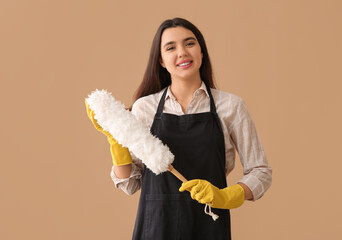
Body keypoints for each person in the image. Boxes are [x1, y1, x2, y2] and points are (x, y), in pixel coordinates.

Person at [86, 17, 272, 240]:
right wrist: (115, 140)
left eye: (190, 43)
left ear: (201, 52)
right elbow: (130, 184)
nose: (182, 52)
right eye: (171, 47)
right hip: (156, 227)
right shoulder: (145, 107)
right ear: (162, 61)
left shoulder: (230, 106)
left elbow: (261, 172)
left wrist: (225, 196)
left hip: (208, 225)